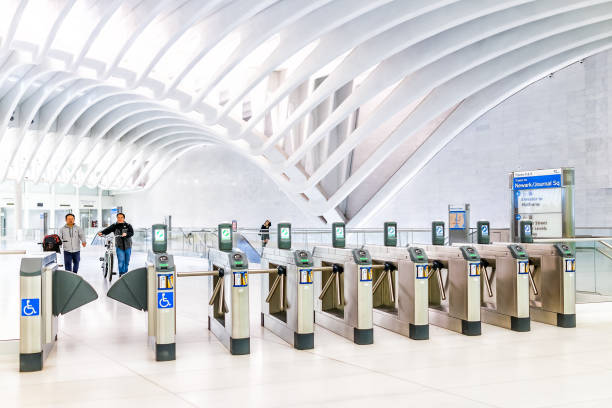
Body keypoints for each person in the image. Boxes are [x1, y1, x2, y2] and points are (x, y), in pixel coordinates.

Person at [98, 213, 134, 277]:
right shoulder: (114, 226)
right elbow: (108, 230)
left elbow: (132, 233)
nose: (120, 219)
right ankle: (121, 274)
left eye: (121, 217)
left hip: (128, 246)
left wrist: (126, 234)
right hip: (119, 246)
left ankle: (125, 273)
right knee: (121, 261)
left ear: (124, 218)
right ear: (117, 218)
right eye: (118, 217)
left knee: (127, 261)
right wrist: (102, 232)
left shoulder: (128, 225)